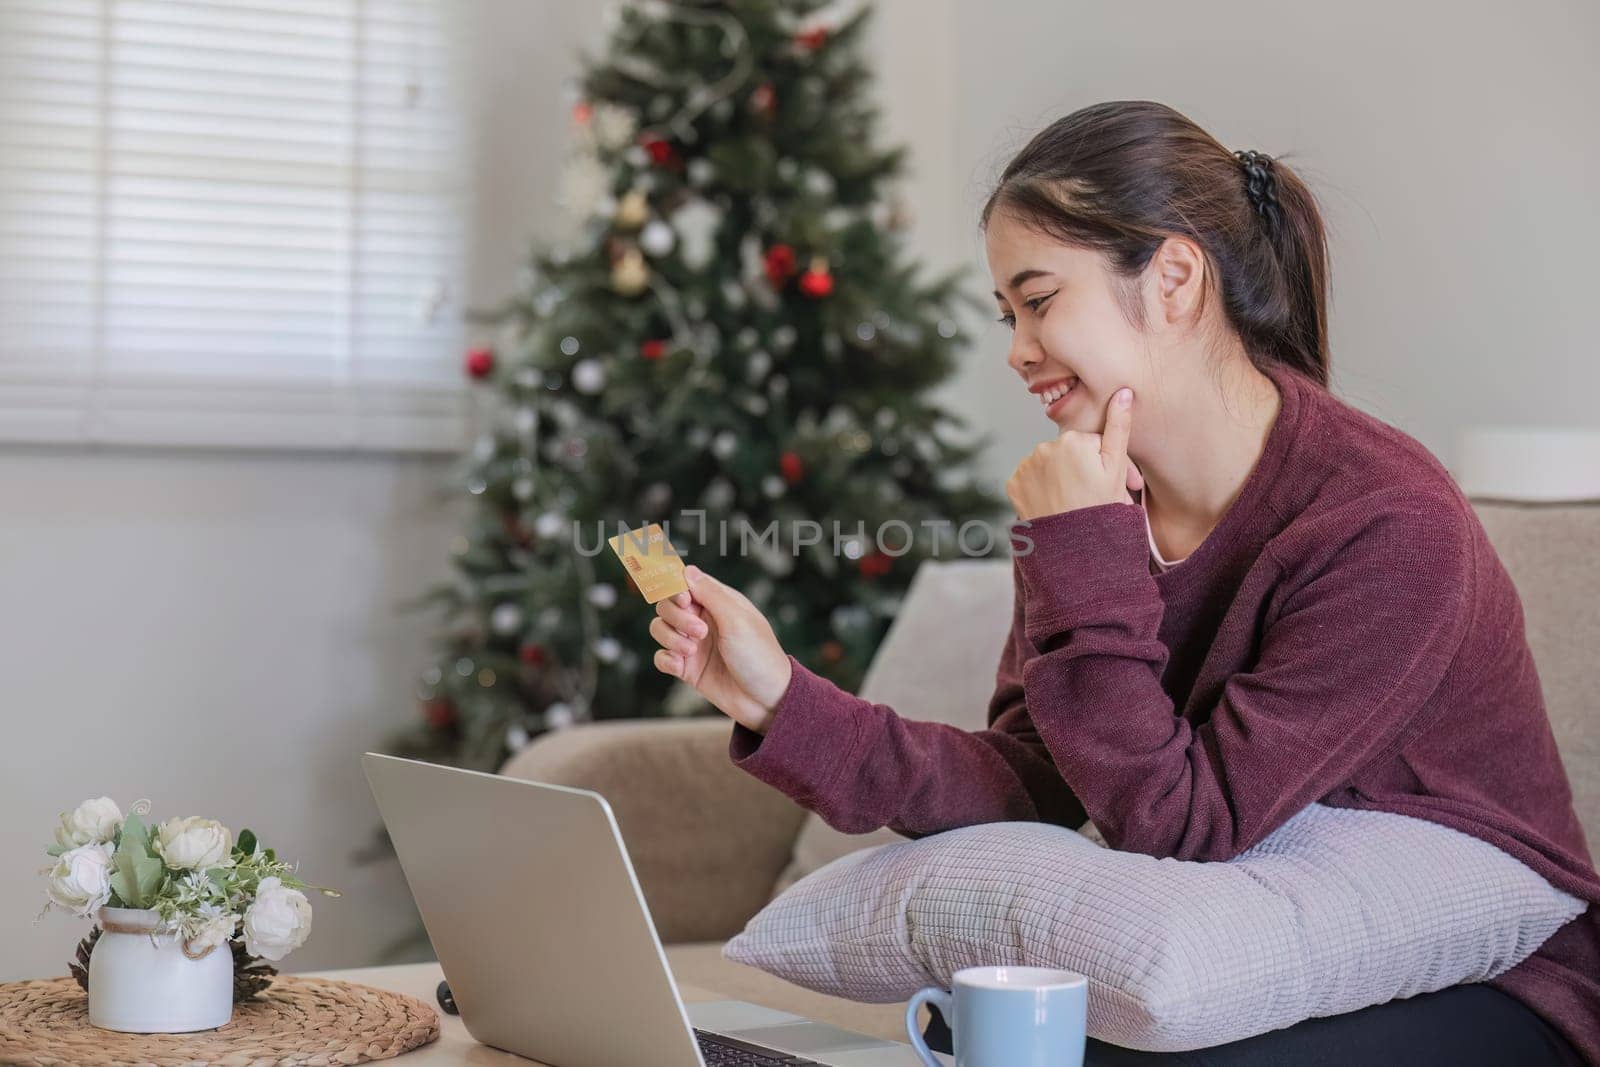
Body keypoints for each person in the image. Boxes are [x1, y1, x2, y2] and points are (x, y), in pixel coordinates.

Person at [647, 100, 1598, 1065]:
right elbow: (1029, 779)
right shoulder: (1094, 504)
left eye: (1040, 299)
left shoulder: (1387, 524)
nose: (1017, 349)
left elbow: (1187, 824)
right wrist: (781, 698)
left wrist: (1082, 548)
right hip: (1256, 925)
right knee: (1026, 1038)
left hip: (1501, 984)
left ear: (1176, 278)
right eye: (1007, 314)